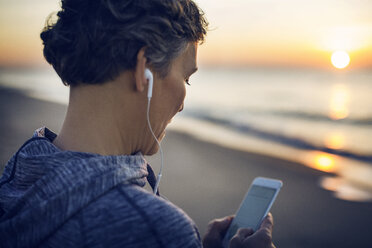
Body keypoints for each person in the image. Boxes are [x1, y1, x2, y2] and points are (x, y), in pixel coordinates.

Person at [0, 0, 275, 247]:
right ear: (144, 69)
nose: (182, 103)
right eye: (186, 78)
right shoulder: (157, 230)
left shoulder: (14, 180)